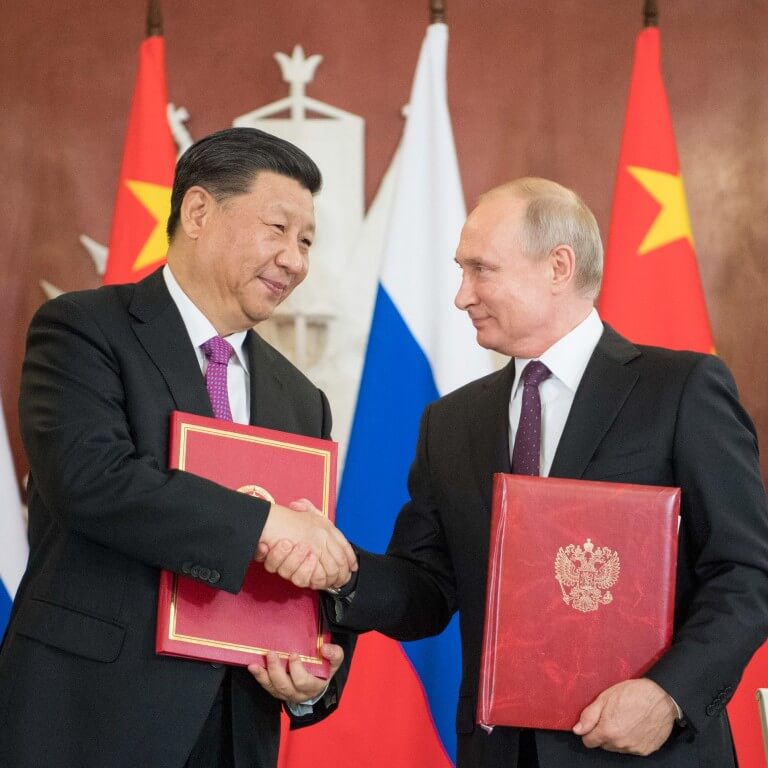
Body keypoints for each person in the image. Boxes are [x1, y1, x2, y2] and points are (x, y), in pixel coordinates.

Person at [266, 177, 768, 767]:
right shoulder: (451, 423)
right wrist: (340, 569)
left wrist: (669, 695)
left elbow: (746, 572)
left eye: (480, 270)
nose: (461, 297)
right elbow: (426, 588)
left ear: (558, 267)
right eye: (461, 272)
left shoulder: (680, 391)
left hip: (650, 751)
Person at [0, 127, 357, 768]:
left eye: (306, 241)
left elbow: (304, 560)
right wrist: (266, 522)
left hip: (234, 730)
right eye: (278, 229)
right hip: (91, 718)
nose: (295, 260)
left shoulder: (302, 399)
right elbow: (92, 479)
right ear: (197, 212)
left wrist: (311, 676)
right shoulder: (83, 329)